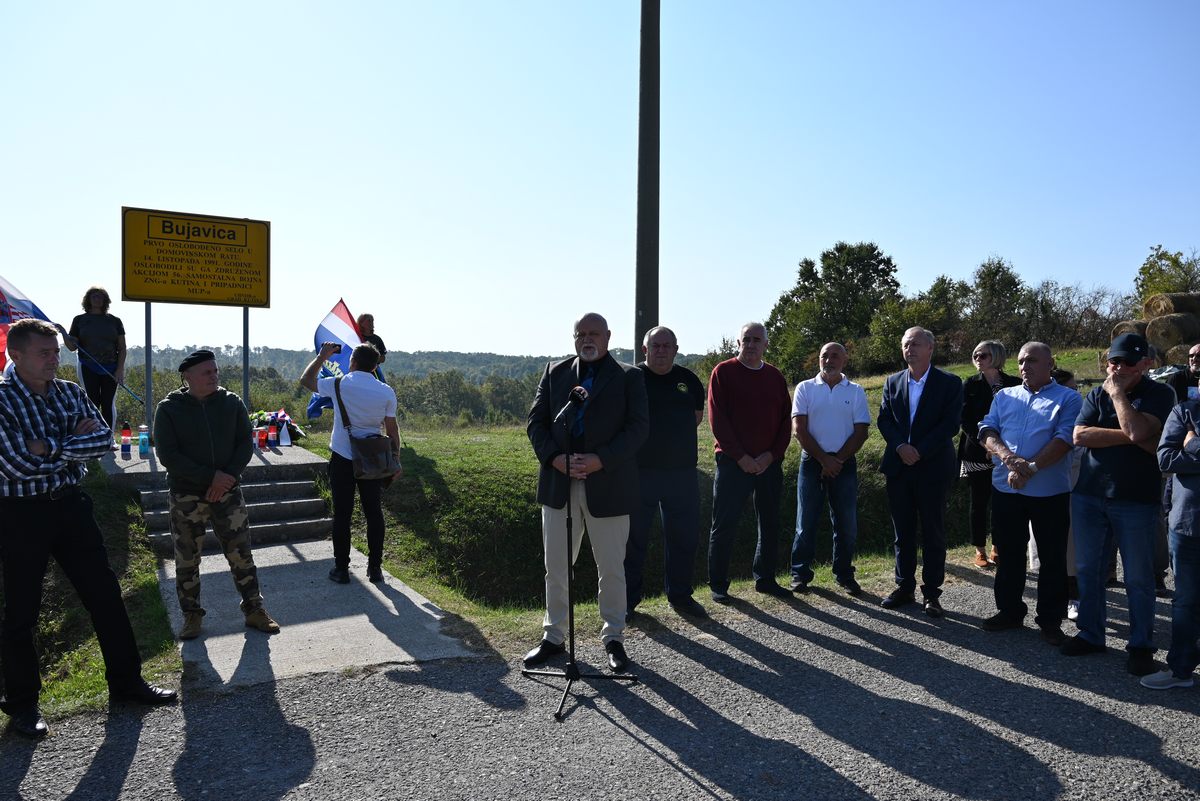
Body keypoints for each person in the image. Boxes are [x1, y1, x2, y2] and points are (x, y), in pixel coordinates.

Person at [0, 319, 175, 739]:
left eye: (55, 352)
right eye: (44, 353)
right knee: (21, 611)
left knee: (105, 596)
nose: (53, 360)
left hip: (71, 508)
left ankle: (127, 683)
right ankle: (22, 704)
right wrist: (68, 446)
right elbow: (15, 464)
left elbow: (102, 441)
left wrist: (48, 447)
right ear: (16, 355)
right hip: (20, 513)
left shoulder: (70, 391)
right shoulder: (3, 401)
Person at [524, 313, 648, 673]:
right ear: (573, 337)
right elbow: (536, 423)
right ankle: (554, 637)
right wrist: (554, 458)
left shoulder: (629, 376)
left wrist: (601, 460)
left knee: (611, 568)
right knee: (556, 568)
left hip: (608, 484)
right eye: (581, 334)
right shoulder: (555, 372)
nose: (587, 339)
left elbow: (638, 429)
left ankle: (613, 639)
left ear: (608, 337)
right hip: (559, 484)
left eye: (594, 333)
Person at [1066, 332, 1175, 676]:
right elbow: (1080, 436)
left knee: (1139, 578)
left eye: (1127, 362)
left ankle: (1141, 644)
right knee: (1089, 570)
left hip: (1136, 500)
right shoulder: (1095, 393)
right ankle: (1091, 634)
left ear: (1145, 364)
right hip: (1089, 494)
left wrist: (1118, 401)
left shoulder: (1160, 393)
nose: (1117, 368)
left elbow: (1144, 433)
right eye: (1113, 361)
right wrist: (1132, 435)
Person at [154, 350, 280, 640]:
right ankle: (191, 616)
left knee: (241, 554)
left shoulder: (230, 402)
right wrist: (211, 477)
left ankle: (254, 610)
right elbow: (168, 455)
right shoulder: (169, 408)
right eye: (206, 372)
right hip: (187, 496)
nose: (214, 376)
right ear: (188, 377)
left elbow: (244, 444)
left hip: (228, 494)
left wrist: (227, 479)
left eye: (215, 371)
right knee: (187, 559)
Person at [977, 343, 1082, 645]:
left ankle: (1050, 620)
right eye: (1021, 361)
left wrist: (1031, 468)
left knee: (1052, 557)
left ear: (1050, 363)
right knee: (1009, 552)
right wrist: (1010, 460)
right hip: (1006, 487)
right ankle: (1010, 611)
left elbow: (1065, 439)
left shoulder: (1068, 398)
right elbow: (987, 430)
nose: (1025, 366)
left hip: (1049, 492)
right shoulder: (1005, 396)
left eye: (1033, 361)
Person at [877, 326, 964, 617]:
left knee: (932, 530)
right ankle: (904, 587)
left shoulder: (950, 383)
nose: (909, 349)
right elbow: (885, 419)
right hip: (899, 467)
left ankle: (932, 593)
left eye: (915, 344)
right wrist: (901, 446)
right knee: (902, 532)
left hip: (933, 467)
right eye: (905, 344)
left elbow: (950, 424)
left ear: (931, 348)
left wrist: (919, 450)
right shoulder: (892, 382)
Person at [706, 322, 793, 601]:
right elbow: (718, 420)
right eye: (747, 339)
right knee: (724, 524)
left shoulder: (775, 377)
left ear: (766, 344)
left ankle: (765, 579)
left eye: (757, 340)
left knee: (769, 523)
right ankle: (718, 585)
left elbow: (784, 422)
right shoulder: (723, 372)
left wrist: (771, 455)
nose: (752, 344)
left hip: (768, 464)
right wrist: (741, 457)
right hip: (733, 463)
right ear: (738, 342)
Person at [624, 326, 706, 620]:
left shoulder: (689, 380)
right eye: (655, 346)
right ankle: (627, 603)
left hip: (681, 474)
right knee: (634, 539)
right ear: (645, 350)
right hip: (640, 473)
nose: (661, 350)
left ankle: (681, 596)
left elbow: (696, 417)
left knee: (684, 538)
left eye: (666, 345)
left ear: (675, 348)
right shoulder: (631, 379)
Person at [301, 341, 400, 584]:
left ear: (352, 362)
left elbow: (306, 381)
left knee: (342, 515)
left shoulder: (338, 384)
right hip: (374, 460)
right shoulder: (386, 391)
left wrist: (323, 356)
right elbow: (392, 429)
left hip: (344, 457)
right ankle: (375, 569)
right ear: (376, 366)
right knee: (374, 513)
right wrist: (396, 460)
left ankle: (341, 569)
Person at [787, 342, 869, 596]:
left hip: (844, 463)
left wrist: (837, 461)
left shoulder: (855, 391)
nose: (829, 360)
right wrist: (824, 460)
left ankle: (844, 574)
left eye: (835, 356)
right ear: (818, 360)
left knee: (846, 524)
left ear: (845, 360)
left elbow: (861, 432)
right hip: (812, 462)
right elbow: (799, 430)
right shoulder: (805, 388)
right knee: (805, 521)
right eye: (824, 355)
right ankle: (800, 575)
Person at [1145, 389, 1200, 689]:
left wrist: (1193, 445)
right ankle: (1181, 670)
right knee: (1185, 602)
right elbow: (1165, 458)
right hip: (1187, 523)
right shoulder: (1185, 411)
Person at [959, 340, 1021, 568]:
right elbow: (964, 419)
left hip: (1008, 451)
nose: (978, 358)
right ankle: (979, 550)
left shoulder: (1015, 383)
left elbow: (1018, 417)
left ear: (995, 357)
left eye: (983, 355)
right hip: (977, 452)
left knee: (1002, 502)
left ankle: (997, 546)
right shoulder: (970, 384)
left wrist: (1002, 447)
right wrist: (986, 445)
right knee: (979, 502)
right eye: (975, 354)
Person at [60, 286, 126, 436]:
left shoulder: (115, 321)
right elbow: (72, 346)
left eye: (100, 297)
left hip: (111, 367)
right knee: (92, 402)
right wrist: (63, 332)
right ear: (88, 300)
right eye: (94, 296)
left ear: (105, 301)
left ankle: (109, 437)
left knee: (108, 403)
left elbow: (122, 347)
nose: (97, 299)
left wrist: (120, 369)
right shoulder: (79, 320)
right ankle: (94, 435)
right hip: (88, 366)